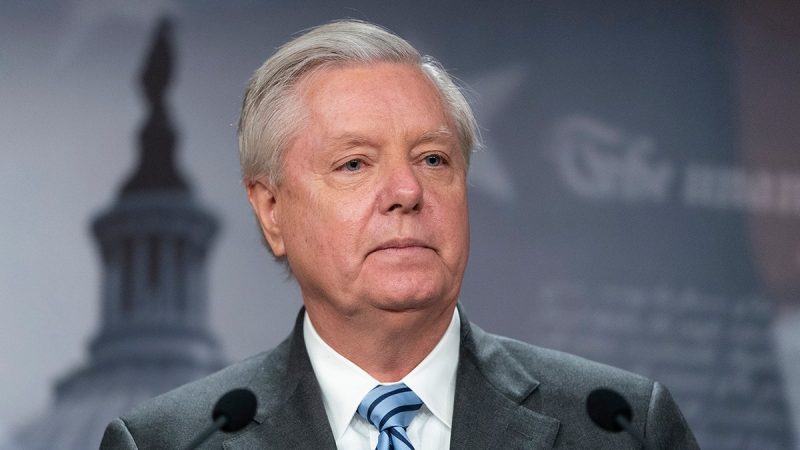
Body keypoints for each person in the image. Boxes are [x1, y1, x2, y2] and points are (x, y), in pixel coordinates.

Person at [100, 20, 698, 449]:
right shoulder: (172, 441)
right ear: (271, 209)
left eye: (433, 159)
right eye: (354, 164)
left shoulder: (621, 428)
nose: (407, 191)